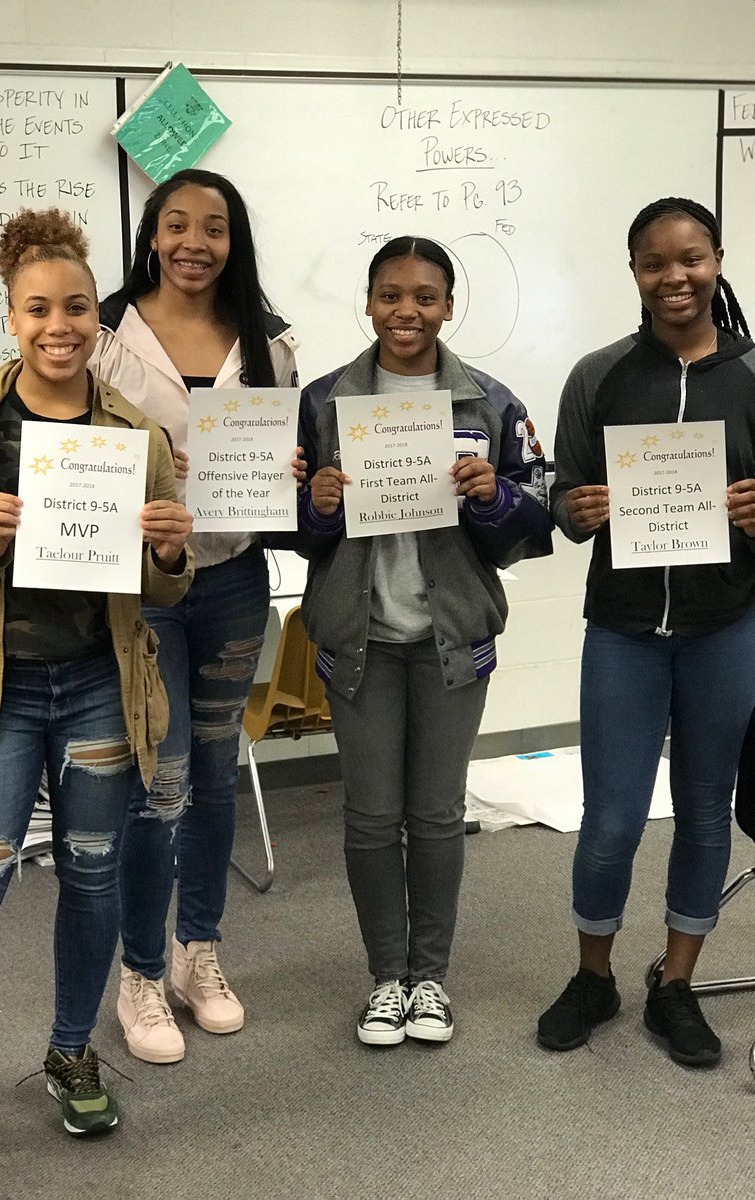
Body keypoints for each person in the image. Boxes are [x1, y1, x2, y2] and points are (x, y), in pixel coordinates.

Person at [0, 208, 193, 1193]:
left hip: (98, 691)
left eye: (75, 308)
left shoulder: (132, 434)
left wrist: (165, 549)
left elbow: (163, 587)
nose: (58, 325)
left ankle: (73, 1050)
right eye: (38, 309)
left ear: (94, 320)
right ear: (12, 314)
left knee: (94, 877)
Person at [297, 235, 552, 1045]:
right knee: (371, 817)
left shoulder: (491, 402)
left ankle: (430, 980)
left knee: (437, 816)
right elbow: (292, 531)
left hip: (451, 641)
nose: (407, 311)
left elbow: (536, 523)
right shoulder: (324, 400)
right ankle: (386, 980)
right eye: (390, 295)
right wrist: (321, 504)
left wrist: (491, 499)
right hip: (360, 637)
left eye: (426, 296)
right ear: (368, 303)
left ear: (449, 305)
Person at [537, 197, 755, 1067]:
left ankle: (676, 983)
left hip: (727, 628)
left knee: (706, 812)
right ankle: (595, 976)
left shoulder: (753, 373)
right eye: (655, 263)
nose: (676, 278)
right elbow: (563, 498)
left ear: (717, 259)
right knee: (613, 818)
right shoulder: (598, 375)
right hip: (624, 629)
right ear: (633, 271)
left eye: (692, 258)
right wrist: (576, 508)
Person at [90, 168, 302, 1064]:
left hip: (233, 581)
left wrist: (291, 471)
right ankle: (138, 973)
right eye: (176, 225)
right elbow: (72, 454)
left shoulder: (272, 341)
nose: (193, 243)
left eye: (213, 229)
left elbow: (284, 464)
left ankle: (197, 954)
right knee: (160, 782)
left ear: (233, 241)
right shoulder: (101, 334)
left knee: (215, 775)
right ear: (150, 234)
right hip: (141, 589)